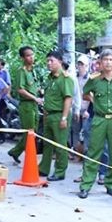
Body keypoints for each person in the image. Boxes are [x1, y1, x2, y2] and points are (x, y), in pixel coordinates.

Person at [78, 49, 112, 199]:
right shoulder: (94, 80)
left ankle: (110, 184)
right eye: (105, 60)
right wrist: (94, 101)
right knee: (93, 152)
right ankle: (86, 185)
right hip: (99, 119)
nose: (108, 62)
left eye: (111, 59)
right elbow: (85, 93)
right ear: (100, 63)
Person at [38, 51, 74, 181]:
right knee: (47, 143)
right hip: (49, 115)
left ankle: (60, 171)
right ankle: (44, 168)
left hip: (60, 115)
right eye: (47, 61)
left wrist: (64, 118)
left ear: (60, 61)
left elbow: (68, 99)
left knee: (60, 145)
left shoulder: (65, 78)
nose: (49, 63)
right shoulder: (49, 78)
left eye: (51, 61)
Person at [7, 46, 42, 164]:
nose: (31, 57)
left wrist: (39, 92)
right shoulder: (21, 72)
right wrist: (35, 98)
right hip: (26, 105)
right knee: (29, 132)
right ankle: (25, 156)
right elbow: (20, 90)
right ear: (22, 57)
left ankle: (16, 152)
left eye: (32, 54)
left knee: (34, 132)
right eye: (28, 55)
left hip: (34, 105)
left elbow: (33, 87)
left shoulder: (32, 71)